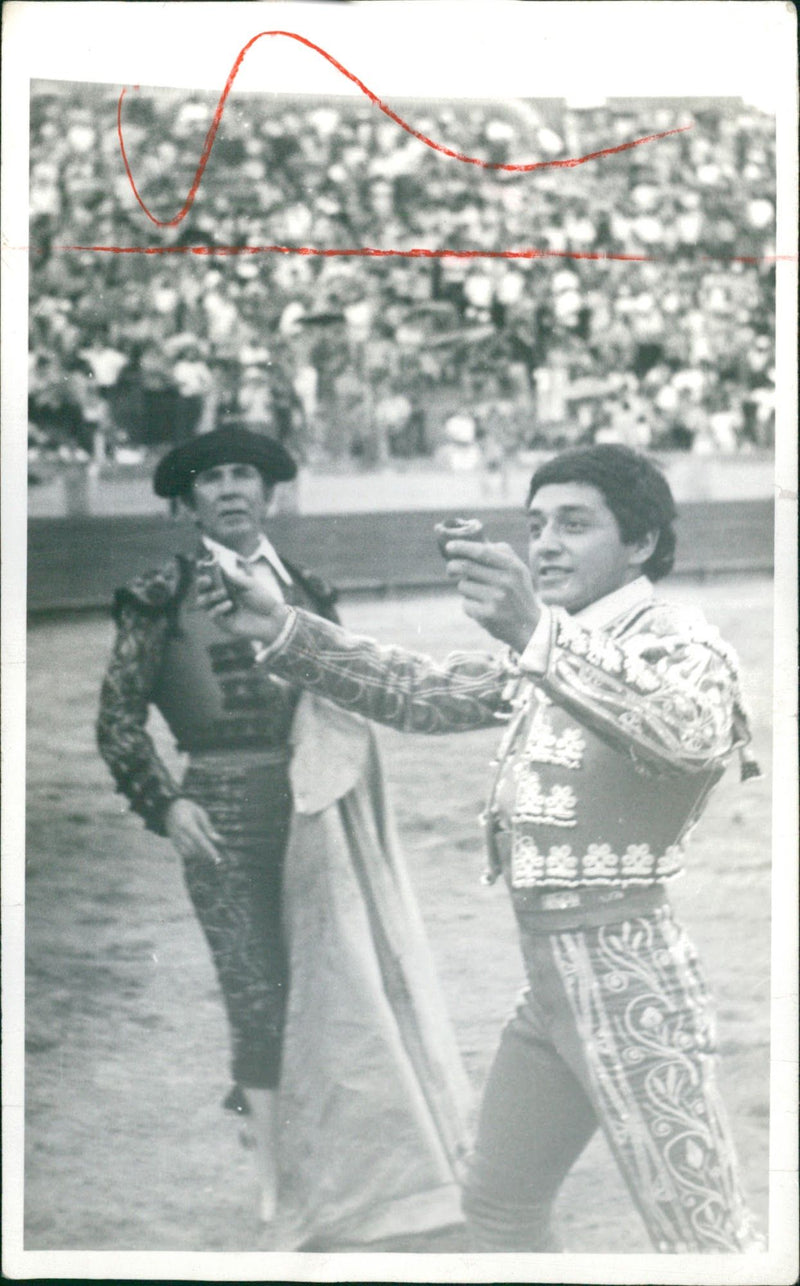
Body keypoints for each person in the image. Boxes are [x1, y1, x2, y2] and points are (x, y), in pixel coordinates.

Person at [197, 443, 764, 1254]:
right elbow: (423, 692)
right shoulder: (557, 643)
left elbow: (692, 735)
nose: (546, 545)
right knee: (498, 1209)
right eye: (536, 525)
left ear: (639, 544)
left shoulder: (680, 640)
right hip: (550, 990)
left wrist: (535, 630)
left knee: (705, 1238)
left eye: (574, 524)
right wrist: (286, 629)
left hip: (636, 982)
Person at [96, 423, 471, 1246]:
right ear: (186, 501)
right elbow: (119, 721)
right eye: (211, 478)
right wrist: (165, 804)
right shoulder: (161, 590)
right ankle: (273, 1179)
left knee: (332, 982)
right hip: (221, 803)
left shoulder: (307, 587)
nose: (230, 489)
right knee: (256, 991)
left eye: (244, 475)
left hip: (316, 801)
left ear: (268, 494)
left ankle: (326, 1160)